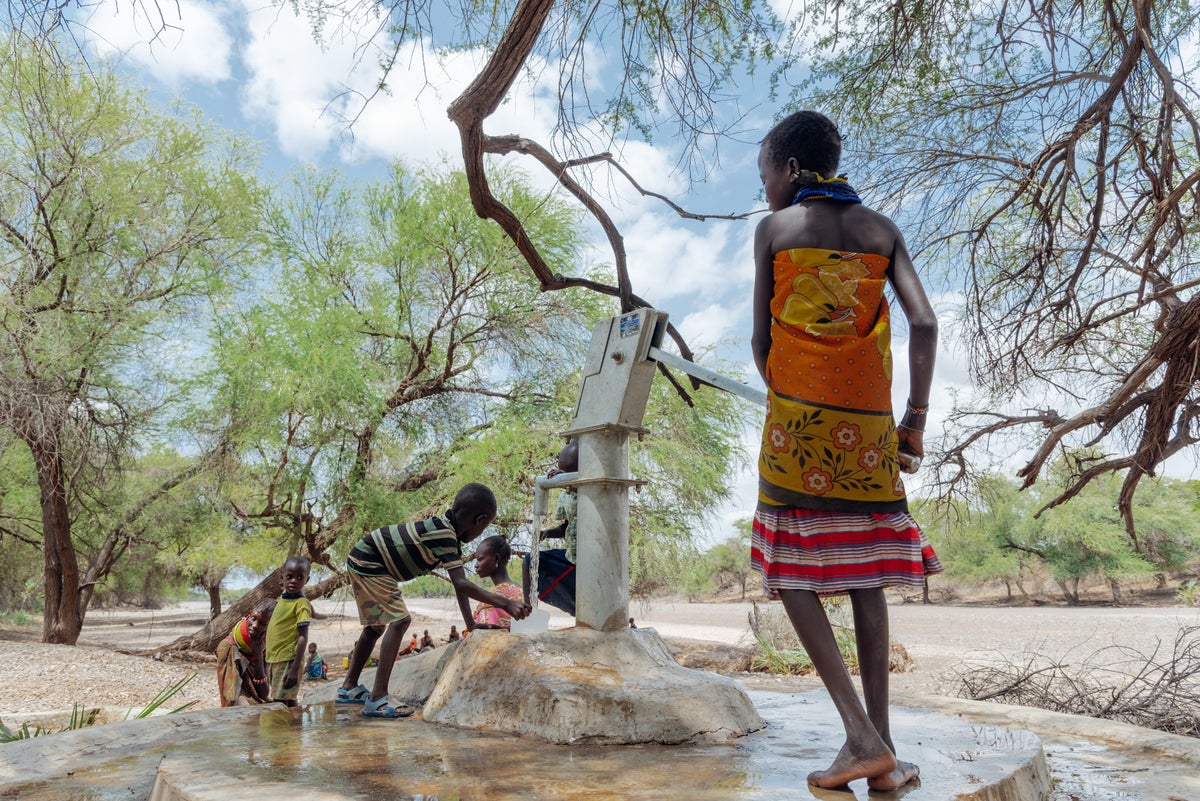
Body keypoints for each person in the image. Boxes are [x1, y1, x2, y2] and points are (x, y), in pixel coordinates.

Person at [750, 110, 943, 792]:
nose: (766, 189)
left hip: (796, 425)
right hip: (868, 430)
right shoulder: (881, 231)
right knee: (866, 578)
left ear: (790, 168)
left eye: (766, 175)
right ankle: (884, 754)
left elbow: (760, 341)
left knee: (788, 566)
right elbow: (924, 322)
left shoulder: (775, 231)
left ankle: (860, 736)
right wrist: (913, 420)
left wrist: (794, 395)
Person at [336, 483, 532, 719]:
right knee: (400, 621)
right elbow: (462, 584)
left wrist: (470, 623)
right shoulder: (444, 534)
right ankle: (378, 699)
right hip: (368, 562)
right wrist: (506, 603)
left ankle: (348, 687)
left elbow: (459, 584)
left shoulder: (447, 534)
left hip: (364, 558)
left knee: (375, 627)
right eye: (484, 527)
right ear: (480, 520)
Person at [523, 439, 578, 615]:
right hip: (571, 556)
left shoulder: (595, 495)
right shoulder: (566, 496)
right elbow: (566, 528)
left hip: (590, 561)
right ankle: (528, 611)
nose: (565, 478)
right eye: (563, 473)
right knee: (529, 561)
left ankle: (579, 609)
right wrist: (547, 532)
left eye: (570, 474)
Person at [264, 556, 313, 707]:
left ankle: (286, 724)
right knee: (287, 699)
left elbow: (303, 636)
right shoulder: (282, 600)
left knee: (281, 701)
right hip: (276, 658)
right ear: (282, 578)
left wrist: (295, 667)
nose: (294, 581)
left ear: (307, 579)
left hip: (288, 660)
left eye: (299, 577)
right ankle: (295, 722)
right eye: (289, 577)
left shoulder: (301, 603)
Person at [215, 598, 276, 706]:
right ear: (249, 614)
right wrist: (249, 710)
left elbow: (264, 694)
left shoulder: (265, 646)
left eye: (262, 624)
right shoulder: (228, 646)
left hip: (254, 704)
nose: (255, 625)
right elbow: (232, 695)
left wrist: (257, 652)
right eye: (253, 618)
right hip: (239, 707)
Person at [471, 535, 525, 630]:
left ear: (497, 558)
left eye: (480, 559)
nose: (476, 565)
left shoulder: (491, 599)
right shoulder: (521, 590)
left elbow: (482, 635)